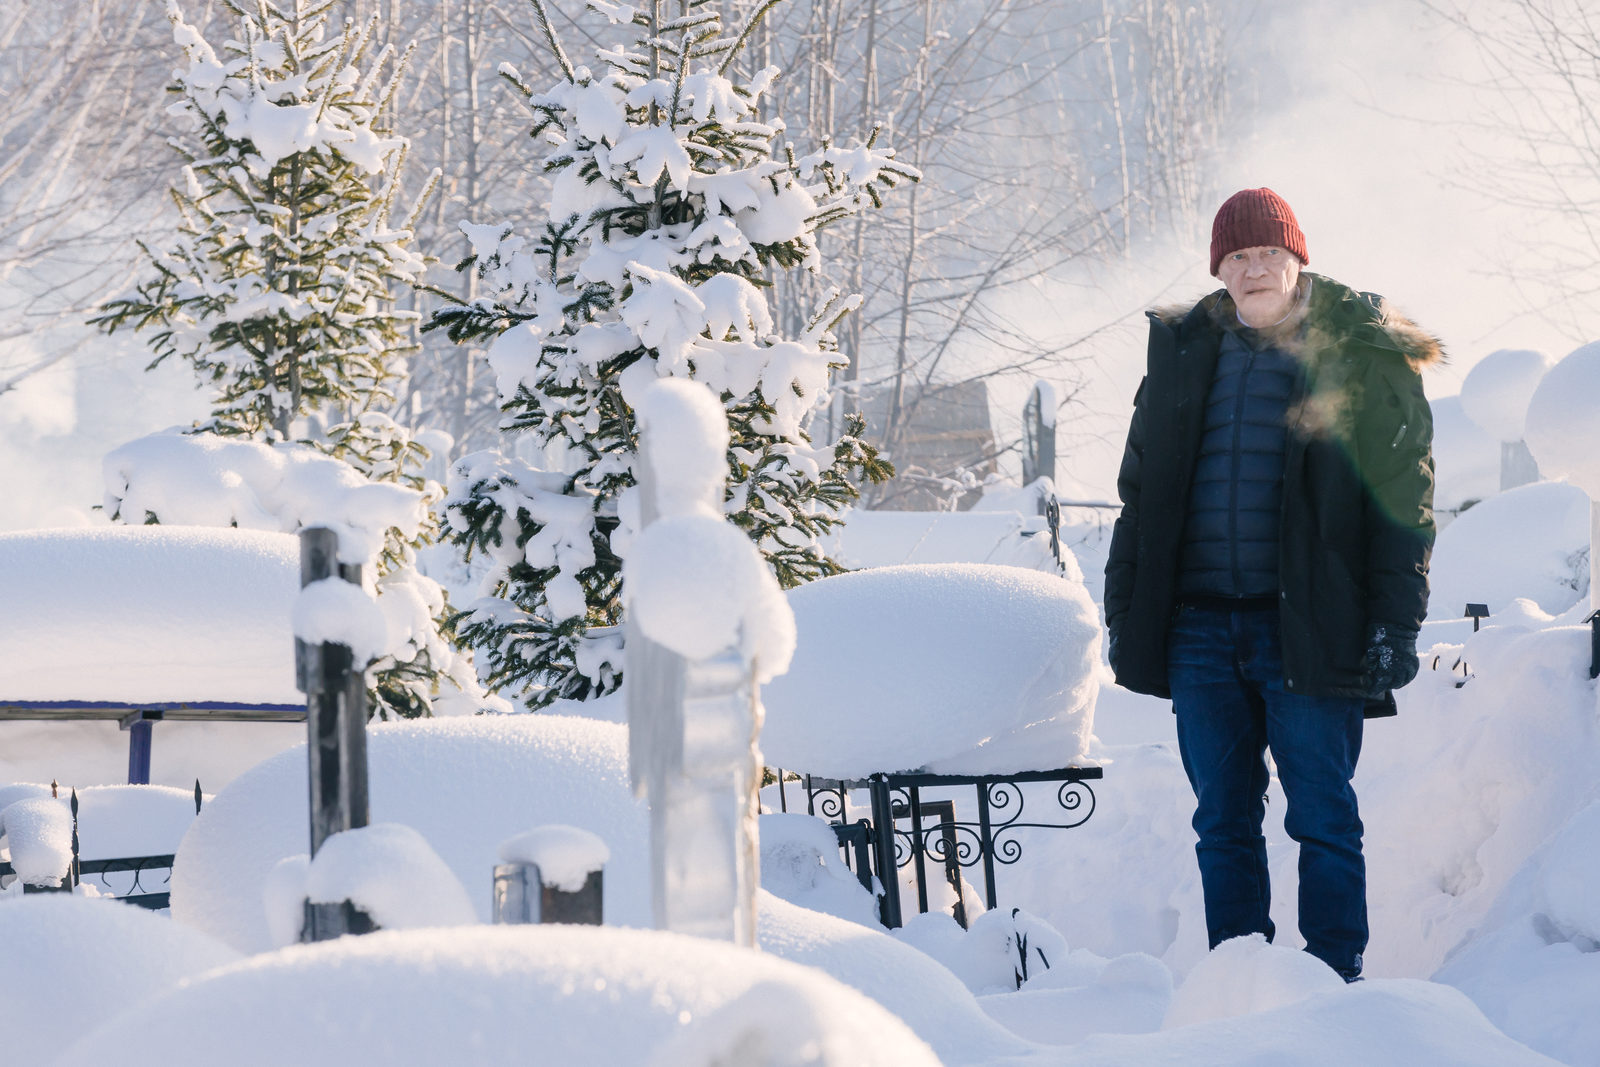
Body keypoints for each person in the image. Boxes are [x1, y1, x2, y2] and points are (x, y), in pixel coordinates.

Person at [1103, 187, 1439, 981]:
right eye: (1238, 257)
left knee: (1322, 815)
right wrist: (1126, 611)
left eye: (1270, 255)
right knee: (1222, 819)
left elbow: (1404, 501)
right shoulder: (1183, 356)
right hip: (1199, 628)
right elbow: (1140, 495)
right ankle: (1238, 981)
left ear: (1298, 262)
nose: (1255, 271)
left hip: (1311, 624)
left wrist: (1396, 622)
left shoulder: (1360, 355)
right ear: (1220, 269)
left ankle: (1335, 976)